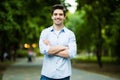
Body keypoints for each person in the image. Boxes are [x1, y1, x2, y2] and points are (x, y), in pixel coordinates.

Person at [39, 4, 77, 80]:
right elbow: (43, 50)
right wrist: (64, 48)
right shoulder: (45, 32)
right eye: (55, 14)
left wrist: (50, 48)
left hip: (64, 75)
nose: (58, 16)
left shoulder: (70, 34)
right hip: (47, 75)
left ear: (64, 17)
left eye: (61, 14)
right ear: (52, 16)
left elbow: (72, 53)